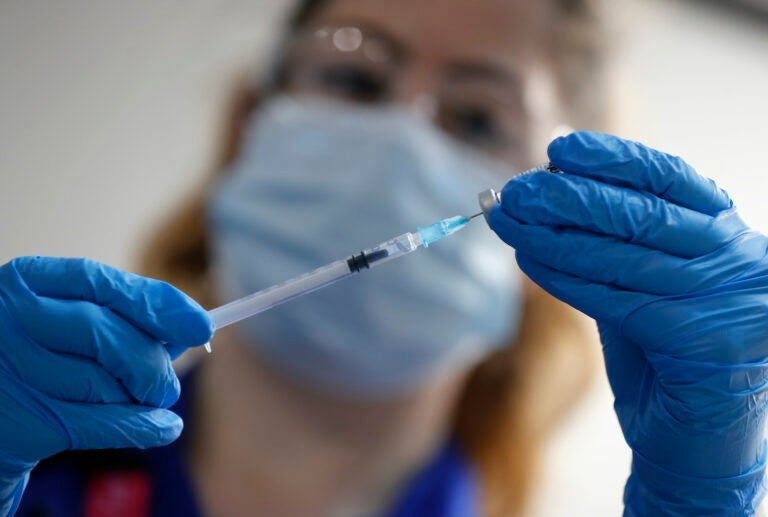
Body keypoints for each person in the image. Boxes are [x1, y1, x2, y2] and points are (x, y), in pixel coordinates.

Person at [1, 1, 766, 517]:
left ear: (558, 230)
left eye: (475, 117)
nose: (400, 138)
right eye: (354, 77)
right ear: (246, 126)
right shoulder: (31, 455)